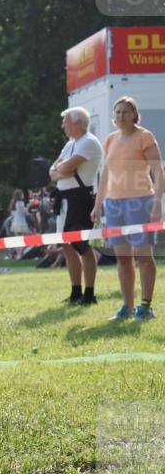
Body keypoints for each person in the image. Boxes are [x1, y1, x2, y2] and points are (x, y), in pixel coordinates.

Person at [92, 96, 164, 321]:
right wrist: (98, 204)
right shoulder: (110, 139)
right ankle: (127, 306)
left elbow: (159, 172)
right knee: (122, 257)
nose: (120, 115)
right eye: (117, 112)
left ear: (134, 115)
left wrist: (157, 203)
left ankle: (146, 306)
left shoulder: (145, 136)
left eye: (125, 111)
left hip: (141, 200)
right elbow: (105, 175)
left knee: (143, 255)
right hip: (114, 204)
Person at [49, 106, 104, 306]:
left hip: (80, 199)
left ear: (78, 123)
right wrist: (60, 170)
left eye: (66, 121)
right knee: (67, 245)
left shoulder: (88, 142)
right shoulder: (70, 144)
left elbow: (63, 167)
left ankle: (89, 294)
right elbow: (53, 171)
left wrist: (61, 169)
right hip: (64, 199)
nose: (63, 125)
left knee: (82, 246)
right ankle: (75, 292)